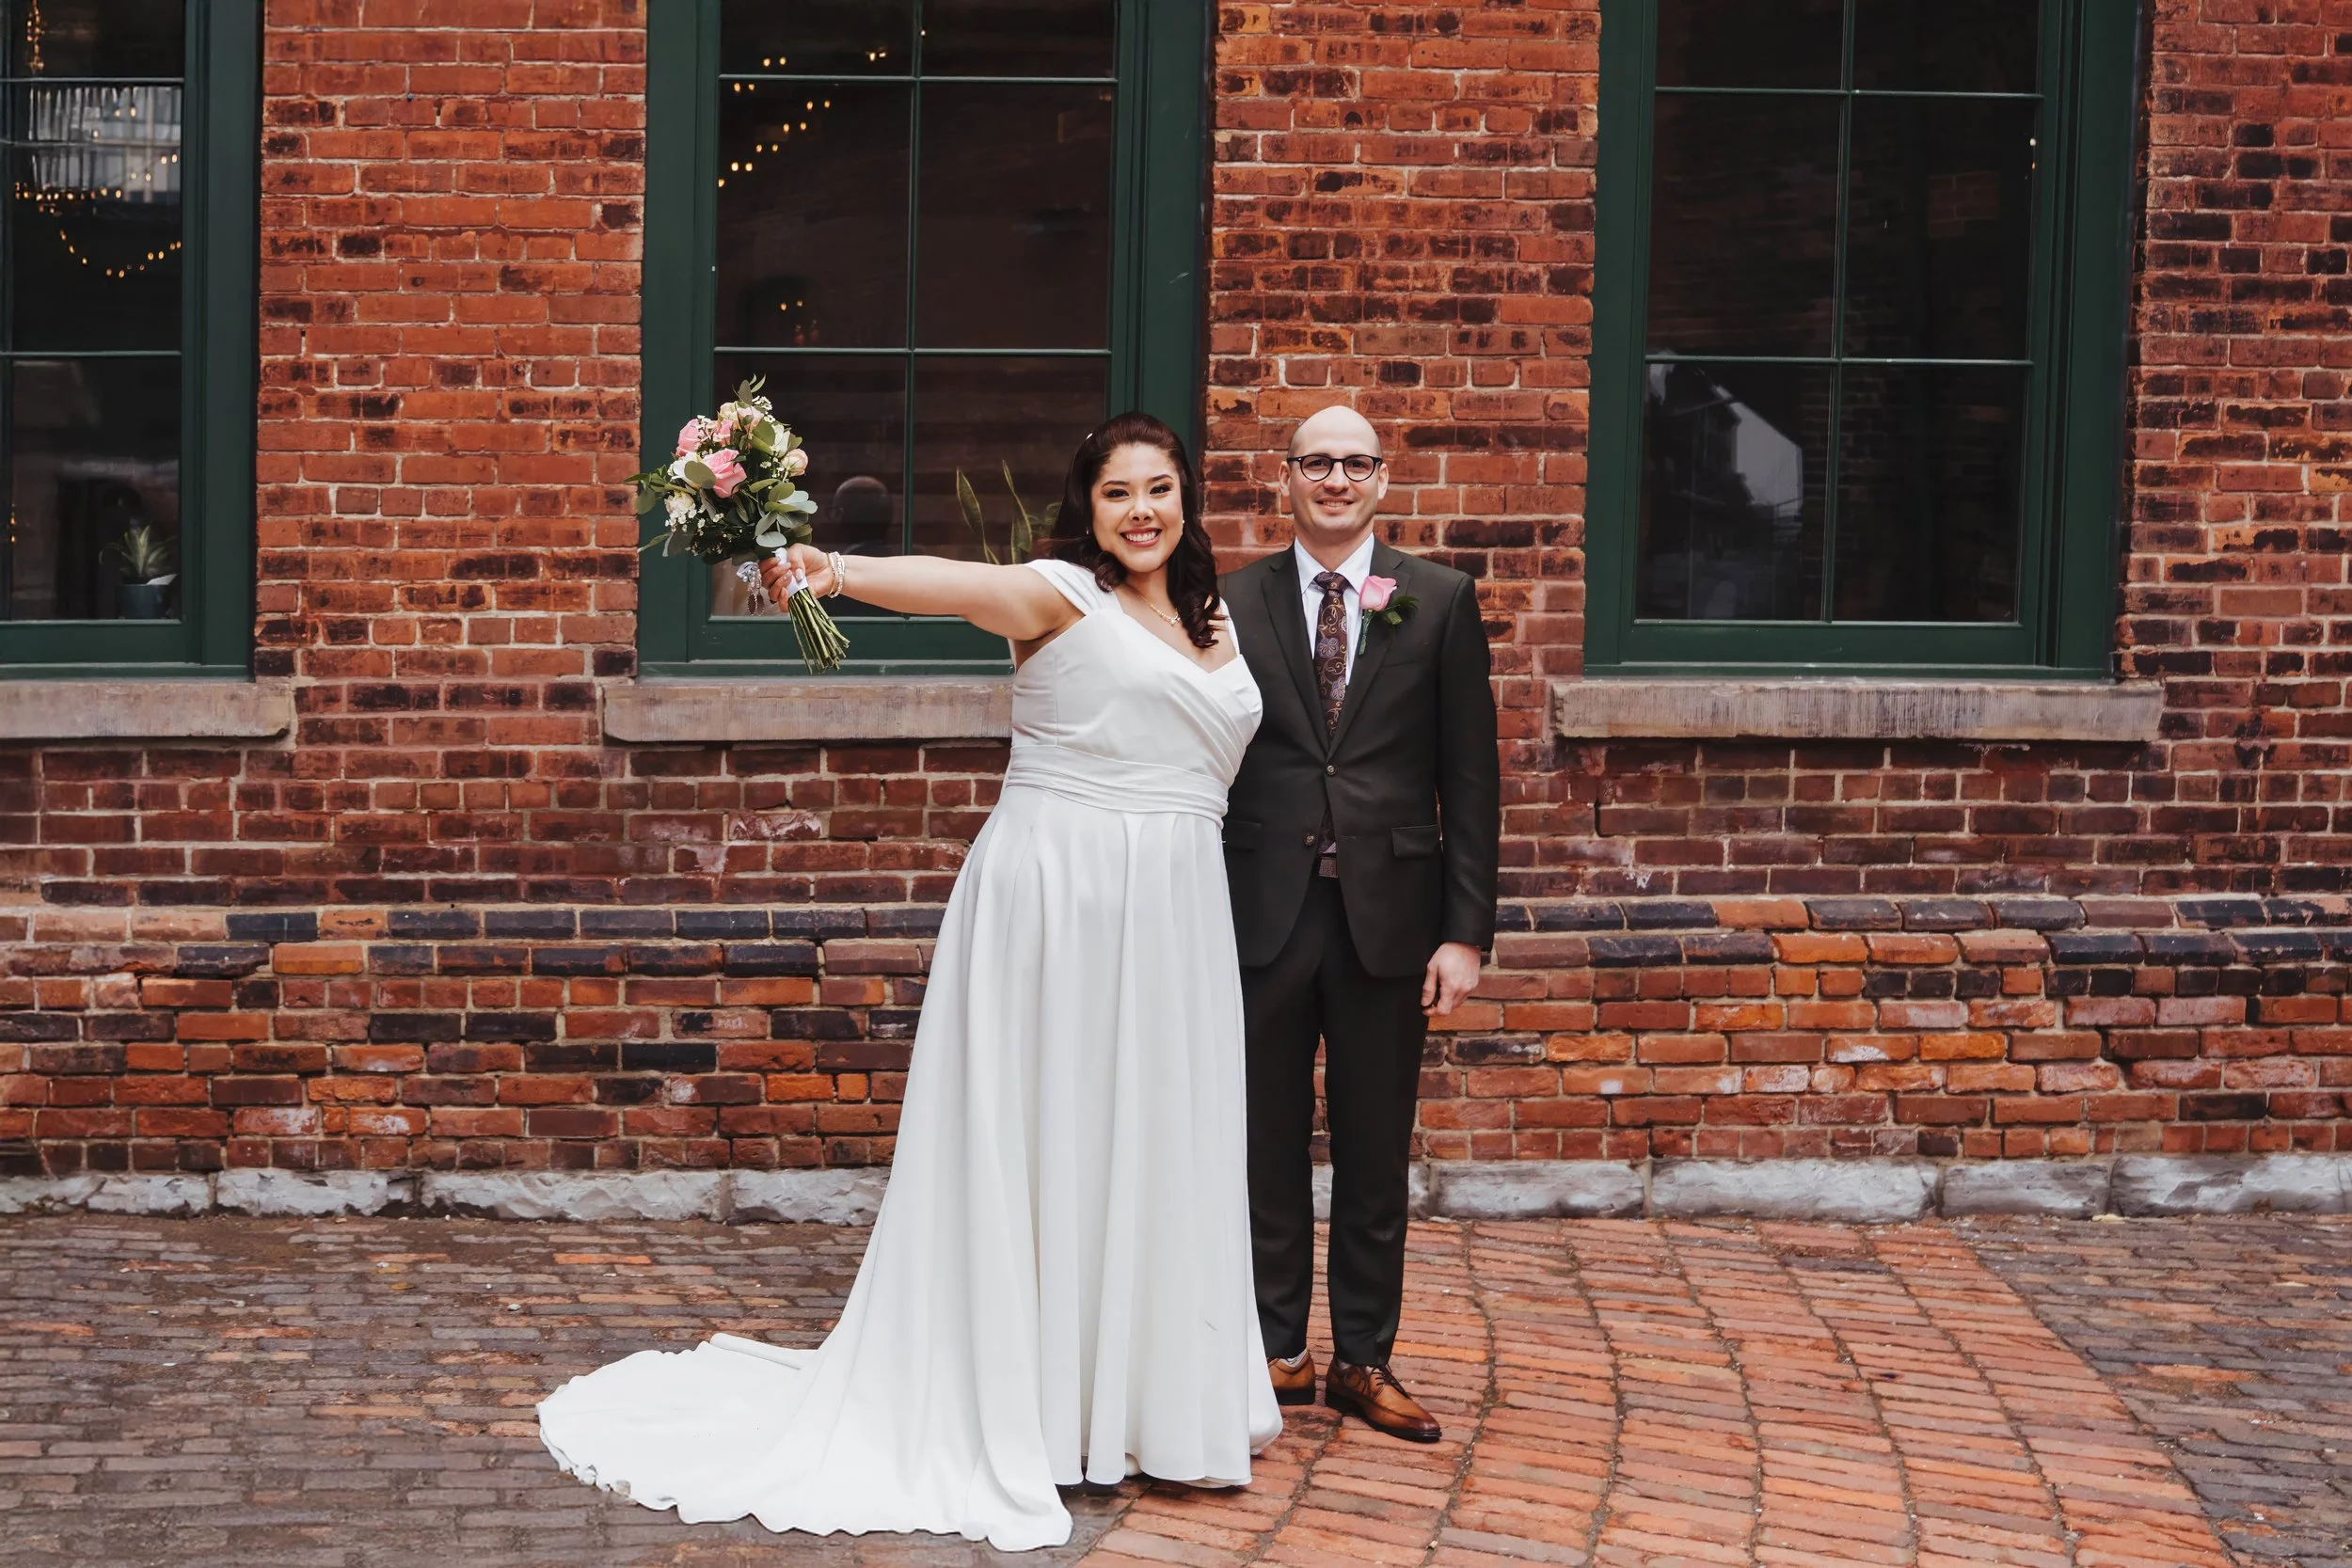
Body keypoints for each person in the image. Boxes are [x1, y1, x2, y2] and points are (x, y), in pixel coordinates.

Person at [537, 412, 1279, 1551]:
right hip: (1062, 896)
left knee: (1154, 1135)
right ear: (1086, 509)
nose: (1141, 510)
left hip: (1175, 914)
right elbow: (950, 584)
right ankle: (1030, 1402)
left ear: (1188, 499)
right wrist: (833, 567)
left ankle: (1146, 1404)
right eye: (1117, 491)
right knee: (1050, 1134)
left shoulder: (1212, 617)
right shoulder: (1056, 595)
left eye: (1160, 489)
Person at [1217, 405, 1500, 1444]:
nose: (1335, 480)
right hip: (1262, 916)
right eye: (1316, 463)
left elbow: (1470, 777)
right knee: (1264, 1139)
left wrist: (1465, 930)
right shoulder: (1232, 600)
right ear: (1283, 479)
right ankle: (1275, 1350)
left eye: (1355, 463)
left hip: (1392, 918)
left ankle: (1363, 1357)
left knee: (1376, 1149)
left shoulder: (1436, 600)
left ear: (1382, 480)